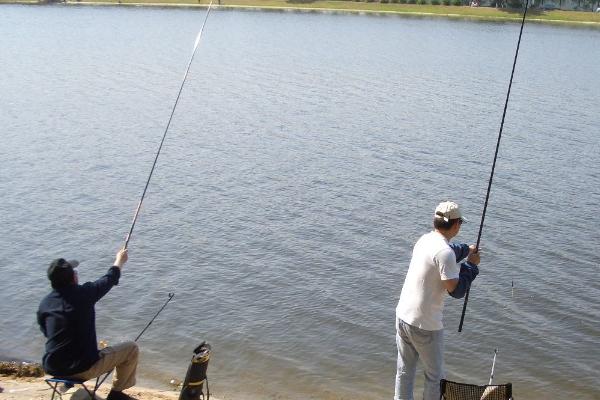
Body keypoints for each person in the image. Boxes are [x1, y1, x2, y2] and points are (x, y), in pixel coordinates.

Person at [394, 201, 481, 400]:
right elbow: (456, 290)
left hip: (403, 316)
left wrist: (467, 249)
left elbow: (449, 251)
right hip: (426, 325)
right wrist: (471, 266)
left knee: (405, 371)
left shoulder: (425, 240)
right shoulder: (445, 253)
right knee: (436, 377)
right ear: (457, 224)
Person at [37, 248, 139, 400]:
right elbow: (109, 279)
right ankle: (116, 394)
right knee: (131, 348)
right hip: (82, 368)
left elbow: (49, 334)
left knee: (71, 343)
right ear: (73, 278)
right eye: (74, 272)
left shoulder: (45, 304)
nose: (76, 274)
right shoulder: (84, 294)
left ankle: (67, 385)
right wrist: (120, 260)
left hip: (53, 367)